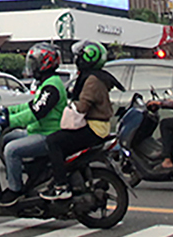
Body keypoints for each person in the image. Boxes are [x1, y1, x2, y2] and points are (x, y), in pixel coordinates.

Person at [40, 41, 119, 201]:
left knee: (53, 141)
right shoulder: (95, 77)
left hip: (94, 128)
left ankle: (61, 186)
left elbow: (82, 106)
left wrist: (69, 107)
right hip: (97, 126)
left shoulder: (92, 80)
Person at [0, 42, 66, 205]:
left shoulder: (52, 87)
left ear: (45, 64)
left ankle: (16, 190)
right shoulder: (47, 83)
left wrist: (9, 121)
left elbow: (35, 112)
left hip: (47, 134)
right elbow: (30, 105)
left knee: (11, 150)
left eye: (35, 63)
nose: (32, 67)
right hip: (37, 130)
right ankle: (28, 174)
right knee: (6, 138)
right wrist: (8, 111)